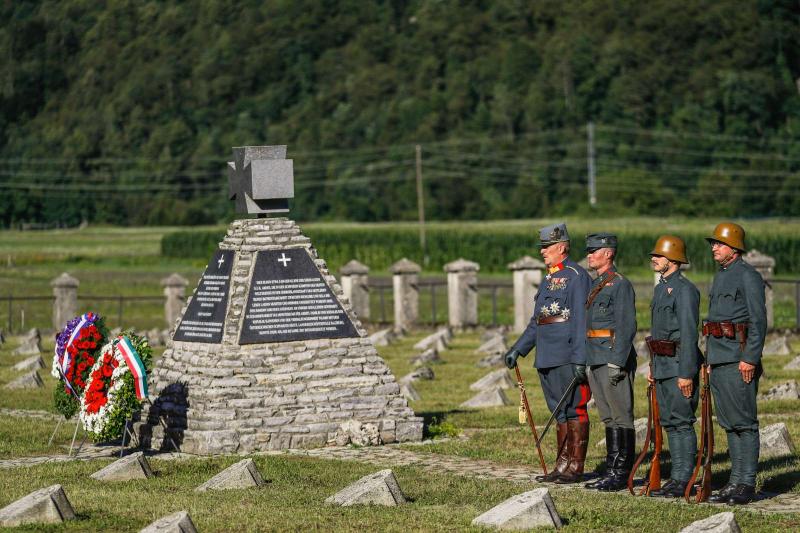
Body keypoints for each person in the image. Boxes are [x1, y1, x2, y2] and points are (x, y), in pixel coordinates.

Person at [504, 223, 592, 484]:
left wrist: (579, 358)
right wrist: (518, 349)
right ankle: (561, 464)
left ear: (562, 247)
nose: (542, 251)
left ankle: (575, 466)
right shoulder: (549, 279)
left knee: (574, 410)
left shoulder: (577, 277)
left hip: (566, 356)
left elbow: (580, 321)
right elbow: (538, 321)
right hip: (547, 356)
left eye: (547, 247)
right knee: (559, 412)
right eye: (541, 247)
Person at [703, 222, 766, 505]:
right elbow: (714, 324)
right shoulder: (720, 276)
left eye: (718, 243)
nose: (714, 248)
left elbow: (758, 321)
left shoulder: (747, 276)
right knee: (729, 422)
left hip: (739, 359)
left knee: (744, 423)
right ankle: (734, 482)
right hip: (719, 358)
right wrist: (709, 359)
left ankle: (747, 483)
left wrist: (749, 358)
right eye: (713, 244)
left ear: (734, 247)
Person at [645, 235, 700, 498]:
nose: (653, 259)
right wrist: (653, 367)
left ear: (674, 259)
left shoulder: (685, 290)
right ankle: (676, 478)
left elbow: (690, 334)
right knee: (669, 422)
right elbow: (656, 334)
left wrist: (687, 373)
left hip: (679, 365)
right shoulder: (660, 289)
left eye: (659, 256)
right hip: (663, 364)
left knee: (682, 422)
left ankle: (684, 479)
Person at [582, 233, 638, 492]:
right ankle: (611, 470)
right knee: (607, 417)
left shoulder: (620, 284)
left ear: (609, 253)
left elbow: (626, 326)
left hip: (612, 359)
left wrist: (618, 361)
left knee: (621, 416)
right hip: (596, 358)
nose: (589, 255)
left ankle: (621, 473)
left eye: (594, 251)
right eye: (589, 251)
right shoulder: (598, 284)